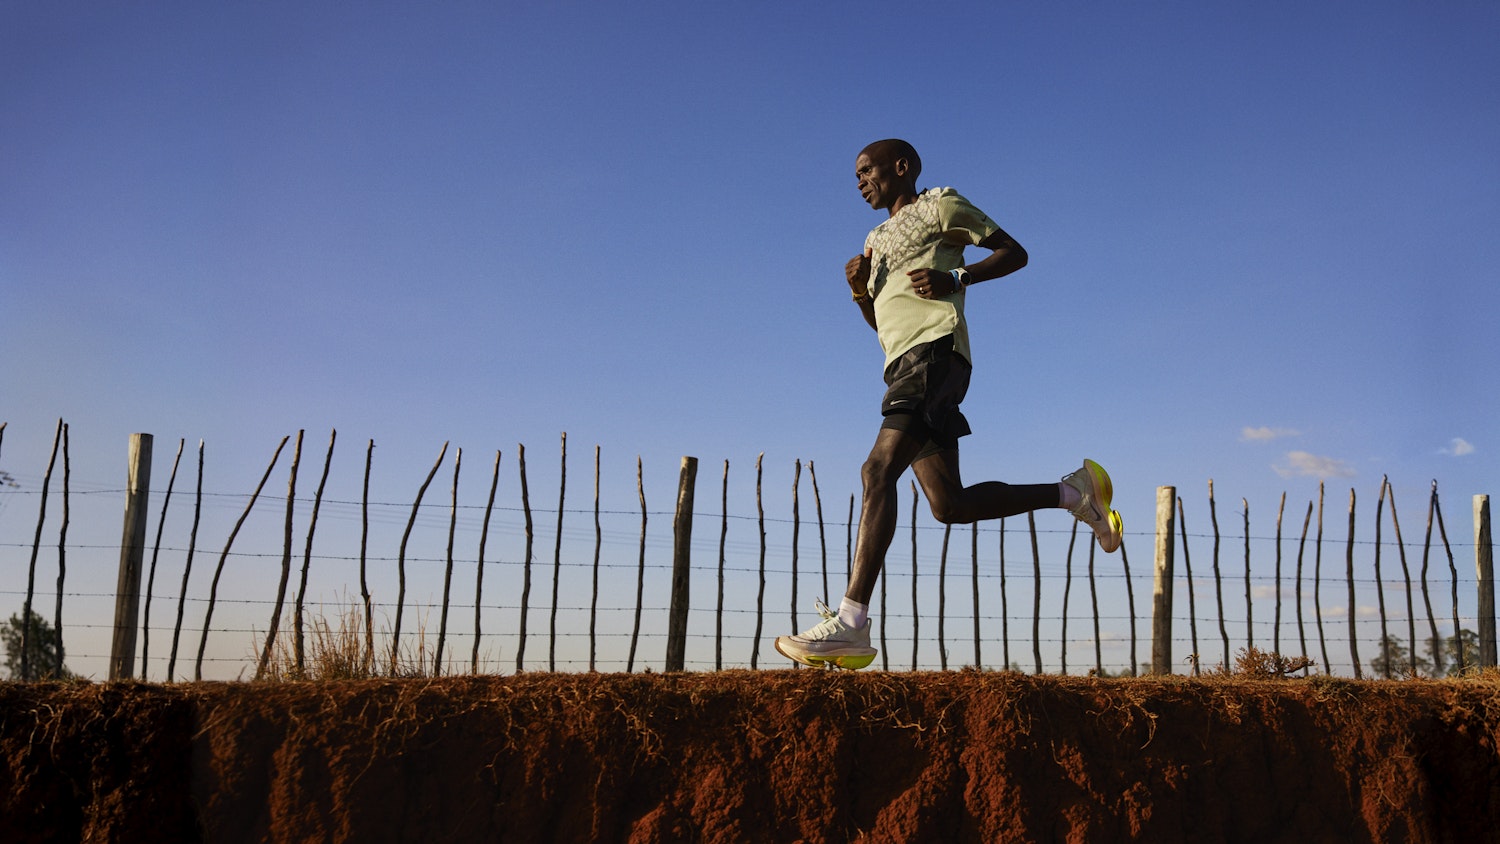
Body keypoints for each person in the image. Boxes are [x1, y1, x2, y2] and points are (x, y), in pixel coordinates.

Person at [774, 139, 1122, 670]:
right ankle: (1074, 492)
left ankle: (851, 623)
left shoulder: (942, 206)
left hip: (936, 354)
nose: (860, 181)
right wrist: (861, 294)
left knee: (877, 469)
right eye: (856, 175)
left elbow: (1014, 252)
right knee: (948, 505)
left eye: (868, 170)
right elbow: (881, 326)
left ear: (902, 167)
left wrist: (956, 277)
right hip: (903, 364)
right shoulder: (874, 238)